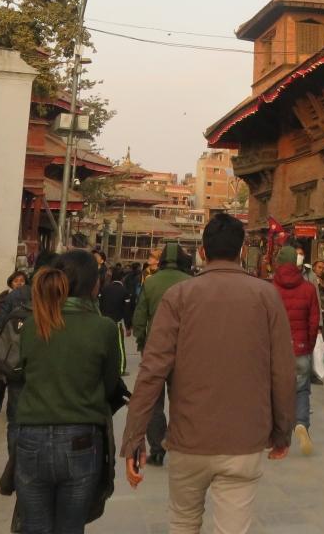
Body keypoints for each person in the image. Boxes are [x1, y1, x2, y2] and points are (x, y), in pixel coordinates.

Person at [121, 213, 295, 534]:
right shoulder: (266, 296)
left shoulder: (178, 296)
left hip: (188, 438)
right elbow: (283, 372)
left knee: (183, 523)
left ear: (202, 251)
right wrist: (283, 432)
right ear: (241, 251)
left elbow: (151, 372)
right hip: (244, 440)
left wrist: (134, 438)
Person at [13, 251, 123, 533]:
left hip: (31, 437)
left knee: (34, 526)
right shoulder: (104, 328)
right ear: (94, 284)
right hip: (81, 440)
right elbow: (110, 383)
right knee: (71, 528)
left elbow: (24, 373)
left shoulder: (33, 324)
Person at [133, 242, 192, 466]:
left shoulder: (151, 282)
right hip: (184, 350)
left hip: (155, 349)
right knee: (181, 400)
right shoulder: (190, 283)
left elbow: (140, 317)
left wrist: (142, 342)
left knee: (154, 402)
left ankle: (156, 448)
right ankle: (176, 441)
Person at [271, 246, 320, 454]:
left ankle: (278, 435)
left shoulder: (270, 288)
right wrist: (307, 345)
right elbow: (314, 322)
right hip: (300, 349)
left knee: (275, 392)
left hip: (276, 351)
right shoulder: (308, 289)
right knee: (301, 390)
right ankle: (301, 423)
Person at [0, 271, 29, 415]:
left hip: (23, 341)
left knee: (17, 376)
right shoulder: (4, 298)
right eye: (16, 281)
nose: (19, 283)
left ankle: (13, 408)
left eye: (22, 281)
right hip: (7, 342)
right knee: (4, 374)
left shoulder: (30, 299)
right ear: (11, 283)